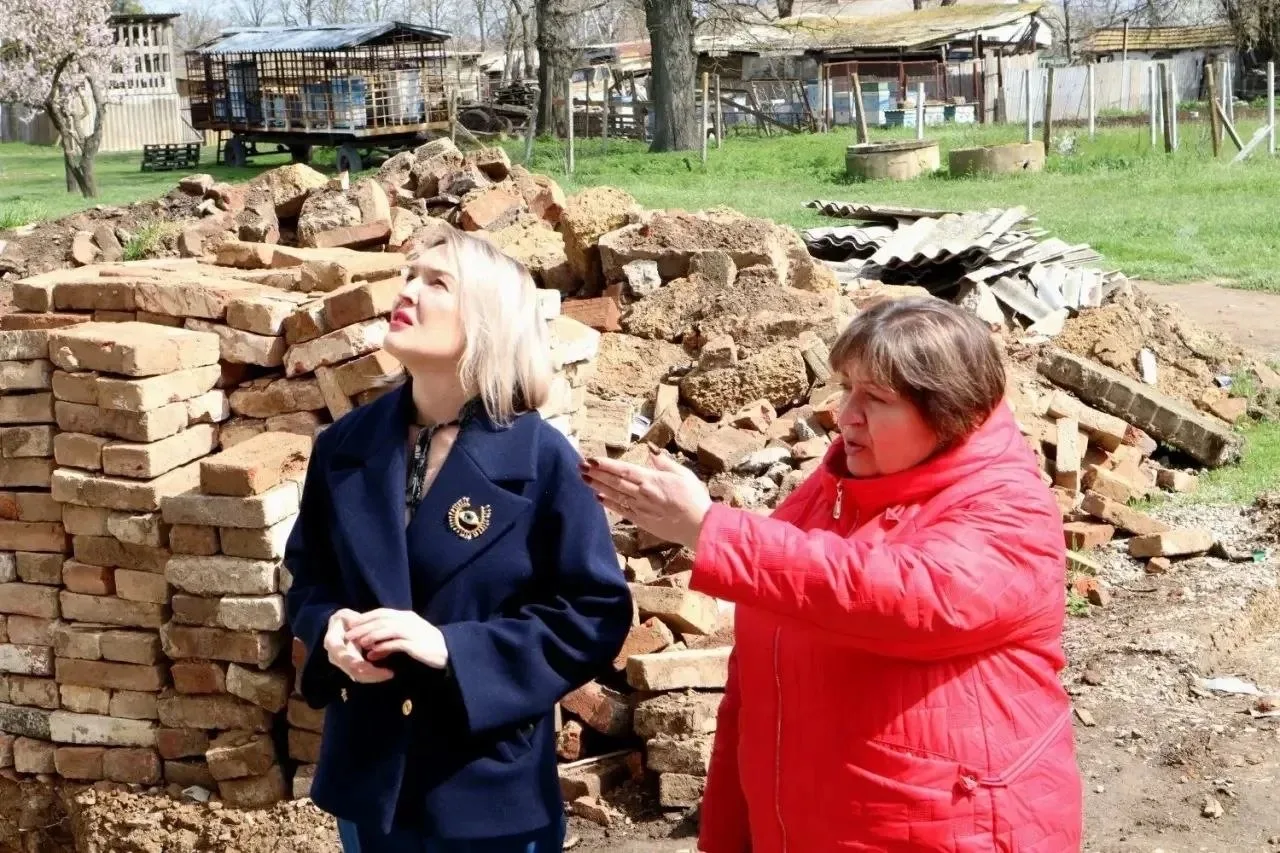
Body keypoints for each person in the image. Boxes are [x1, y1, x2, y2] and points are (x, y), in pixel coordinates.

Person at [582, 296, 1083, 852]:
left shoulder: (1009, 506)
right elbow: (755, 690)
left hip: (951, 830)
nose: (846, 416)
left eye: (877, 398)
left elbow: (907, 596)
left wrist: (709, 530)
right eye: (846, 388)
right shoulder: (834, 492)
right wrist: (727, 832)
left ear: (951, 411)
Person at [285, 223, 633, 853]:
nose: (407, 291)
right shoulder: (344, 447)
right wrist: (328, 627)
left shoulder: (541, 460)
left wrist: (454, 649)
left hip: (483, 788)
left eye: (437, 283)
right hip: (369, 781)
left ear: (487, 320)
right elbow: (308, 577)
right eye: (409, 277)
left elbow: (593, 614)